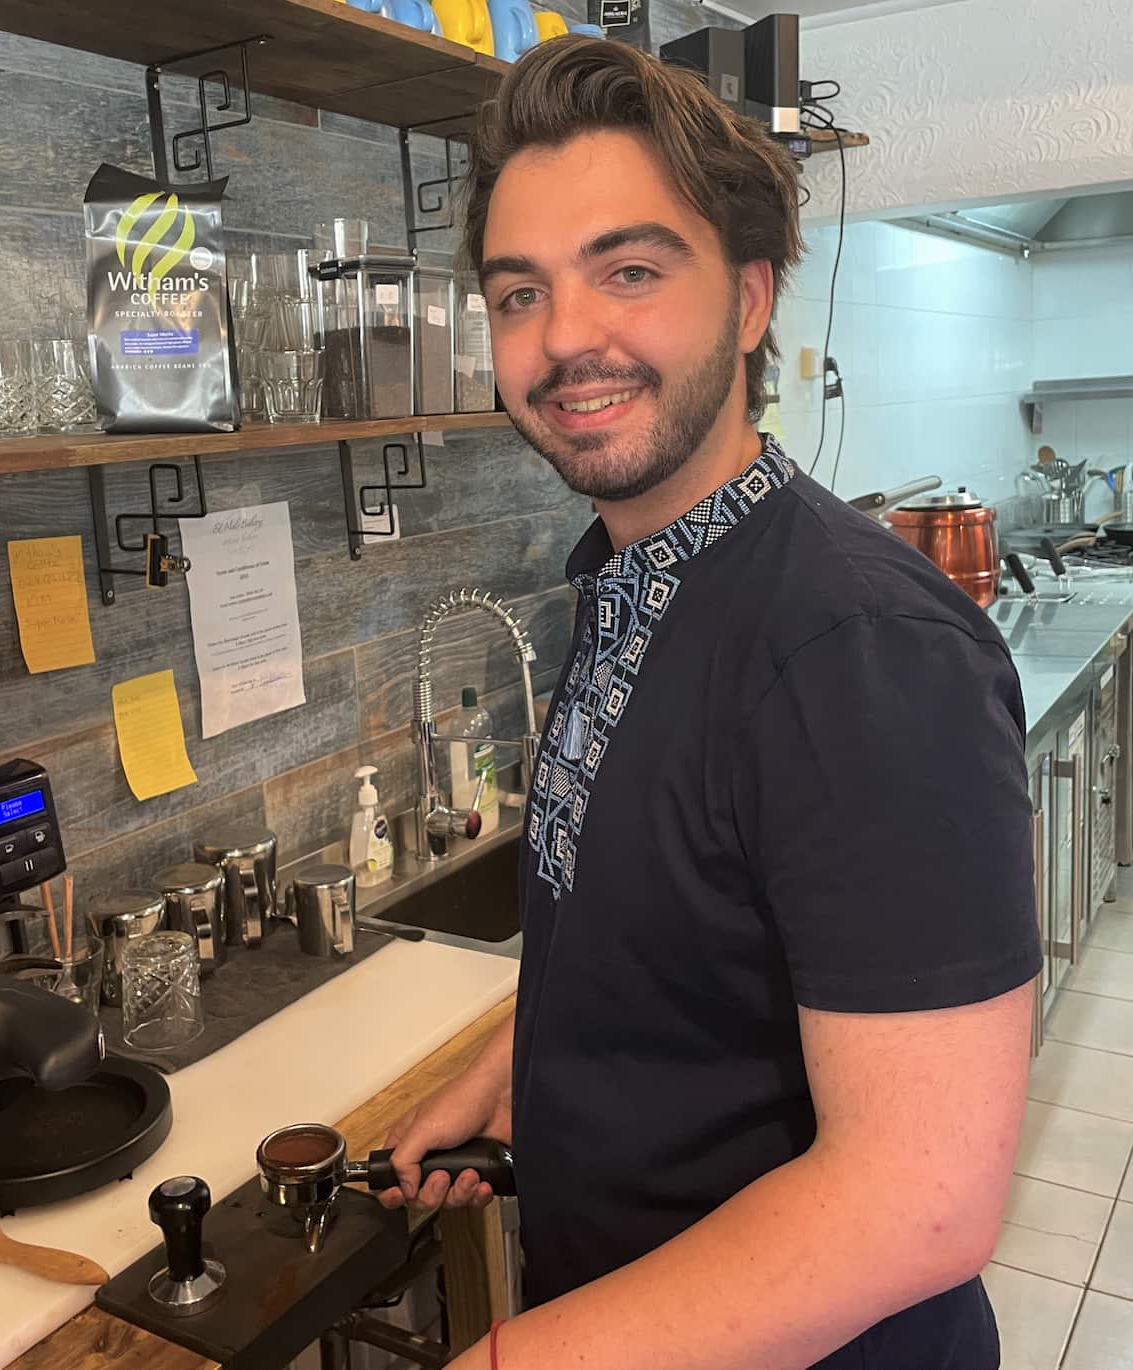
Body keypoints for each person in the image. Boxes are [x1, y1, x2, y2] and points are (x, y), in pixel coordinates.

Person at [377, 37, 1042, 1370]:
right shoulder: (632, 583)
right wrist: (526, 1066)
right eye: (520, 293)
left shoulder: (859, 650)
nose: (566, 337)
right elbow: (671, 934)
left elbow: (919, 1201)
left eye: (628, 270)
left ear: (747, 300)